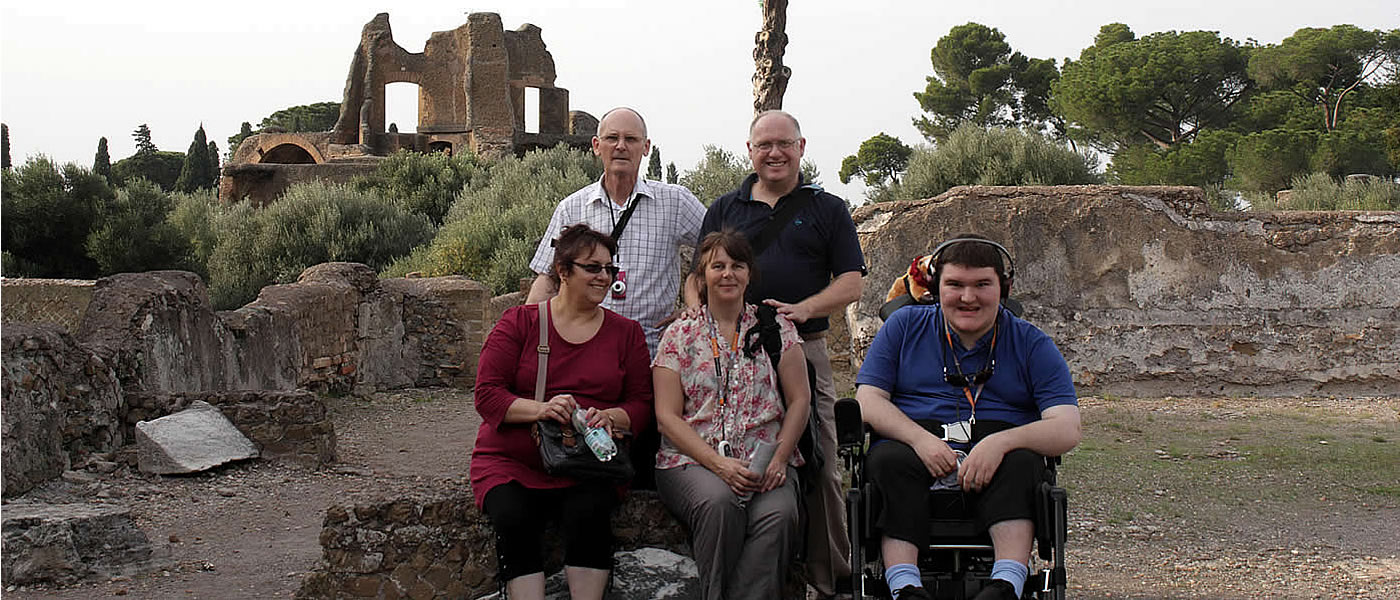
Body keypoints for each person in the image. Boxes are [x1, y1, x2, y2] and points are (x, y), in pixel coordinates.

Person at [684, 109, 865, 598]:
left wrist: (803, 310)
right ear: (750, 151)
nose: (774, 153)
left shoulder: (828, 208)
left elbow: (852, 281)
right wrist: (701, 325)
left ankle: (830, 576)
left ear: (801, 147)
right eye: (764, 145)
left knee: (821, 459)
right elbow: (697, 277)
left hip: (801, 349)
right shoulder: (726, 207)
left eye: (784, 143)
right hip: (730, 351)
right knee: (729, 451)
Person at [854, 234, 1081, 600]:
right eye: (955, 285)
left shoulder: (1032, 343)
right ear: (935, 288)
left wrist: (1001, 442)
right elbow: (868, 399)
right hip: (916, 446)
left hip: (1000, 453)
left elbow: (1067, 427)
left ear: (1003, 288)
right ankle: (905, 587)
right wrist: (920, 441)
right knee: (886, 459)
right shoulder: (903, 327)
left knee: (1023, 463)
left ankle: (1005, 584)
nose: (968, 297)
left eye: (982, 285)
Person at [471, 224, 654, 600]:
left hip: (589, 460)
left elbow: (641, 402)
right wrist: (543, 409)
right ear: (563, 271)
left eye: (610, 269)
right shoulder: (519, 323)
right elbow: (487, 395)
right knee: (513, 518)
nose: (604, 277)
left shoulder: (627, 333)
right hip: (513, 460)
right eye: (593, 268)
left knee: (589, 513)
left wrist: (610, 416)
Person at [654, 230, 811, 600]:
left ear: (749, 273)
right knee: (719, 504)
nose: (728, 274)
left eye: (737, 266)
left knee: (780, 514)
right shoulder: (680, 334)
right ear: (701, 277)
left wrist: (781, 458)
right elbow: (666, 416)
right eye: (717, 266)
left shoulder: (775, 328)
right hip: (691, 460)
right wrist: (718, 465)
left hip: (765, 460)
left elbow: (800, 399)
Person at [527, 106, 707, 356]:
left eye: (631, 139)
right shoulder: (572, 208)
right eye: (612, 138)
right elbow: (547, 279)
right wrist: (524, 335)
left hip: (653, 351)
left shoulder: (676, 202)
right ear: (596, 145)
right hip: (584, 351)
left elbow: (724, 254)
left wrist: (698, 309)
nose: (621, 146)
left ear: (646, 147)